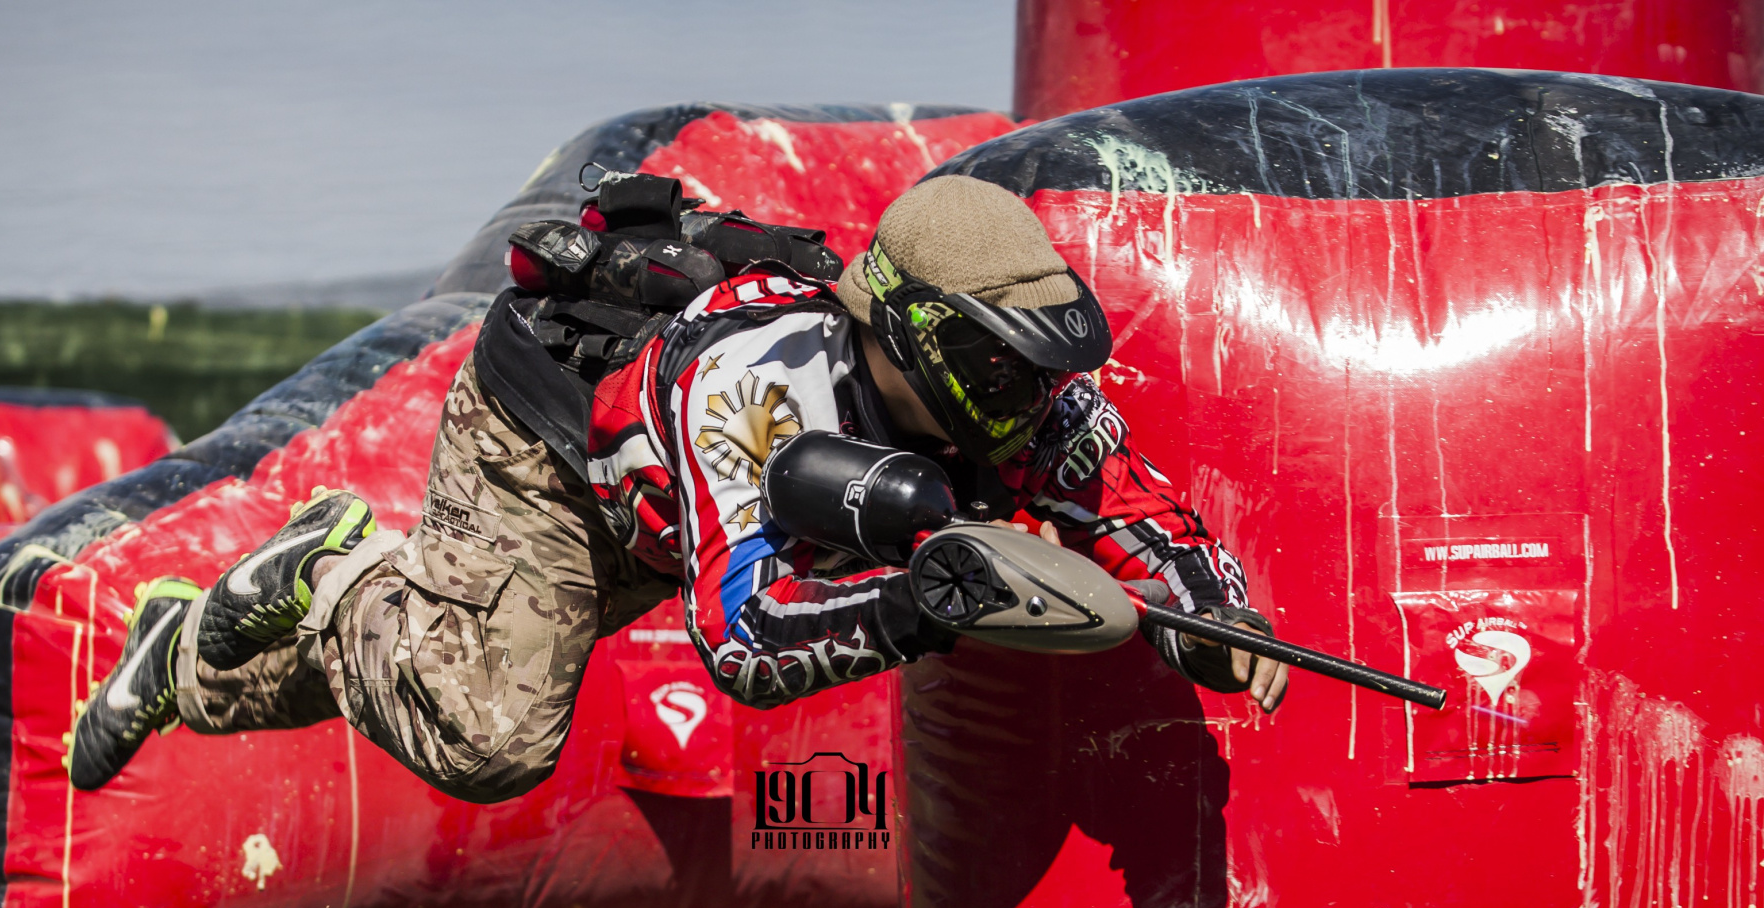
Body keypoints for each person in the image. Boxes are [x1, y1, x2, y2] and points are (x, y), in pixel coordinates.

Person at [69, 172, 1288, 799]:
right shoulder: (762, 389)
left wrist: (1216, 617)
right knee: (492, 738)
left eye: (1040, 363)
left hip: (660, 516)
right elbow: (743, 638)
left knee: (403, 685)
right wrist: (920, 609)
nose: (1029, 395)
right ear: (912, 336)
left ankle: (181, 658)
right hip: (545, 458)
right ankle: (331, 567)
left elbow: (1130, 508)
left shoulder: (1017, 389)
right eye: (1000, 365)